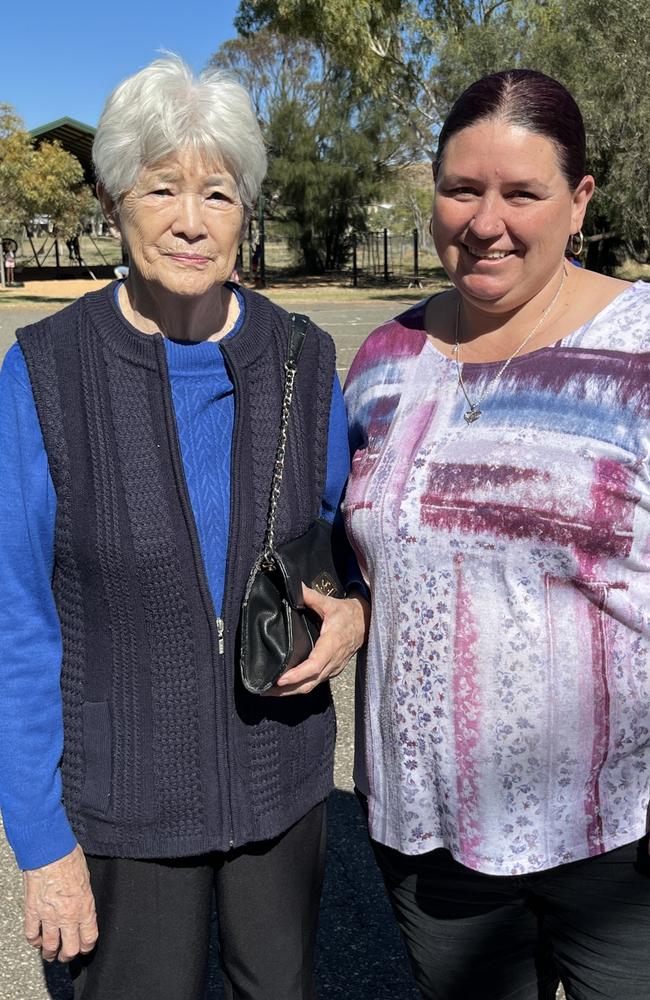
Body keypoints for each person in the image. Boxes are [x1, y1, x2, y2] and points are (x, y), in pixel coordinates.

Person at [0, 55, 369, 1000]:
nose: (192, 220)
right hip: (122, 802)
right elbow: (17, 620)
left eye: (219, 192)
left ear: (248, 210)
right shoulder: (44, 373)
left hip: (280, 782)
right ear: (115, 199)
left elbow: (341, 539)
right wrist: (42, 843)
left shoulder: (302, 358)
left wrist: (354, 610)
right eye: (161, 188)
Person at [343, 69, 650, 1000]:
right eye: (461, 189)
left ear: (579, 200)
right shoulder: (385, 358)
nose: (485, 222)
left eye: (522, 192)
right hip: (432, 834)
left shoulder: (638, 346)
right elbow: (369, 551)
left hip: (618, 830)